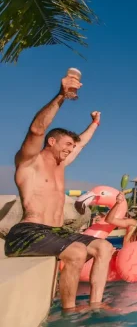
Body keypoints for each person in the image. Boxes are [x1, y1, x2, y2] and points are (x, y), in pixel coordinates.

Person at [3, 74, 114, 310]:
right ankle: (69, 313)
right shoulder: (28, 162)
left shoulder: (60, 166)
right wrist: (62, 96)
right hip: (27, 232)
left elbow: (81, 142)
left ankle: (95, 306)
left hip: (56, 232)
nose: (70, 150)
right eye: (67, 145)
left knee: (104, 246)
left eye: (72, 147)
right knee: (76, 252)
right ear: (51, 141)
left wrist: (95, 123)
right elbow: (36, 129)